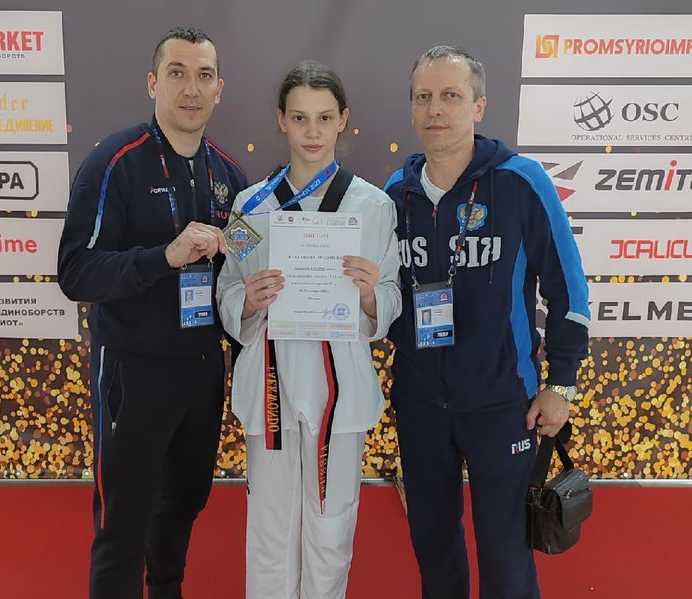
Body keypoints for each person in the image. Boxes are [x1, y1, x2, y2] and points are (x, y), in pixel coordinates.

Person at [384, 46, 590, 598]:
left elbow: (569, 289)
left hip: (504, 404)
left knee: (505, 554)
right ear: (412, 108)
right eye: (424, 97)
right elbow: (384, 298)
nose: (435, 109)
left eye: (450, 95)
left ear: (478, 106)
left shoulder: (520, 181)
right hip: (421, 403)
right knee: (432, 545)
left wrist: (561, 384)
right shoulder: (394, 195)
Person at [57, 27, 247, 599]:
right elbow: (76, 272)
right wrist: (163, 257)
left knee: (184, 503)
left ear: (219, 90)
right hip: (133, 371)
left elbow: (239, 280)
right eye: (177, 73)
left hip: (201, 373)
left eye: (204, 76)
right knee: (125, 520)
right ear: (152, 83)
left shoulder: (231, 178)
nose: (191, 89)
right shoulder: (114, 162)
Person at [217, 60, 401, 599]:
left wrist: (369, 294)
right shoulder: (251, 206)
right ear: (282, 120)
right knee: (270, 525)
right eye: (300, 118)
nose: (312, 132)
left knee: (331, 521)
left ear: (343, 119)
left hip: (339, 384)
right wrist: (247, 302)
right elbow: (228, 288)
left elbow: (392, 295)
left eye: (324, 117)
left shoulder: (373, 206)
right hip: (269, 382)